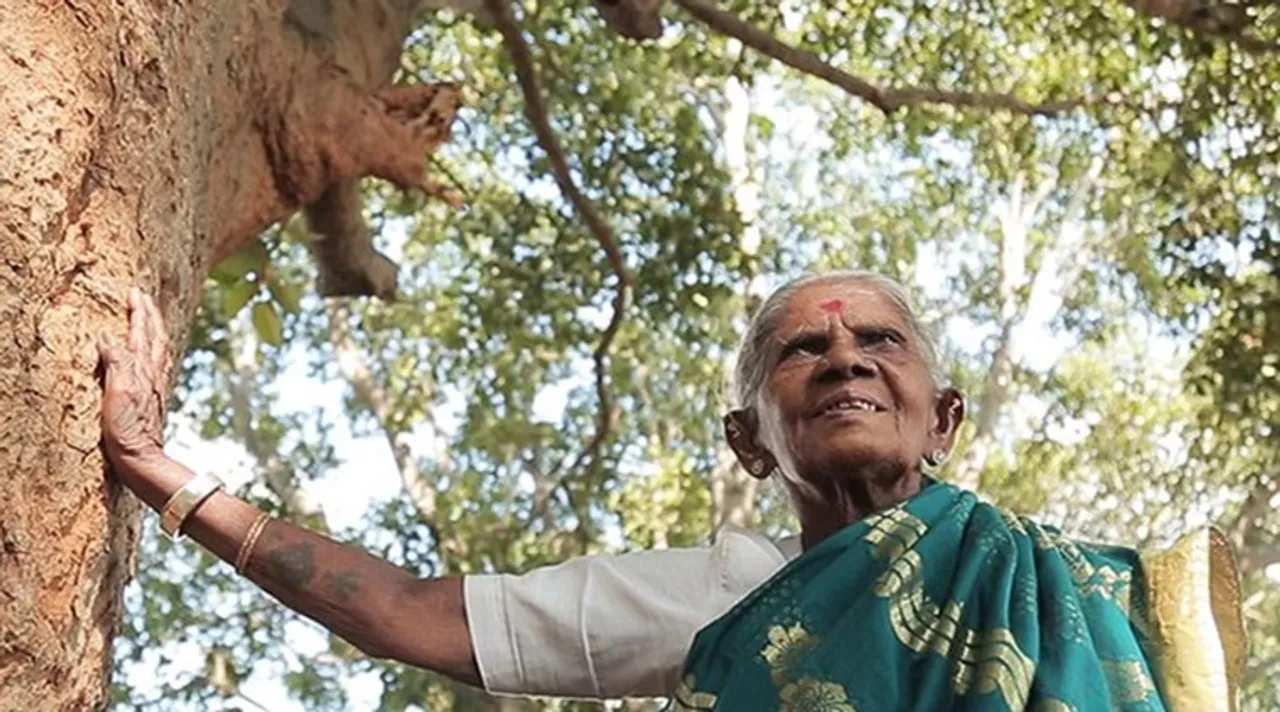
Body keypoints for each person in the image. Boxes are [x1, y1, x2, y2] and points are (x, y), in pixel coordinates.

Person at [100, 271, 1246, 711]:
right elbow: (410, 616)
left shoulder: (1076, 597)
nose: (844, 357)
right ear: (750, 443)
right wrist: (169, 479)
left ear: (942, 415)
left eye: (880, 342)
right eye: (802, 352)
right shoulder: (721, 593)